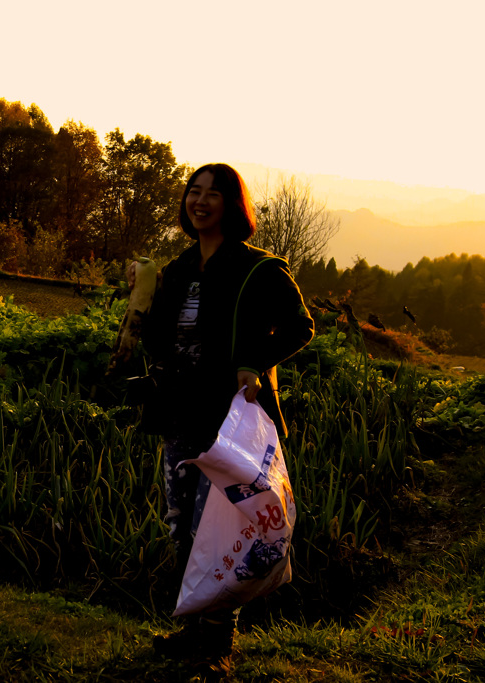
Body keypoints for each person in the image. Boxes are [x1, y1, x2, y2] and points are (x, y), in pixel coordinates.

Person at [134, 163, 315, 659]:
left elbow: (302, 327)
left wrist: (254, 364)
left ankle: (216, 642)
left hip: (227, 424)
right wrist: (141, 297)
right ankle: (194, 632)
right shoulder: (177, 269)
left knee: (220, 529)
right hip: (179, 416)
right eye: (193, 192)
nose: (200, 201)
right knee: (181, 529)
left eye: (213, 194)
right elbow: (156, 344)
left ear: (233, 205)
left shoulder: (260, 269)